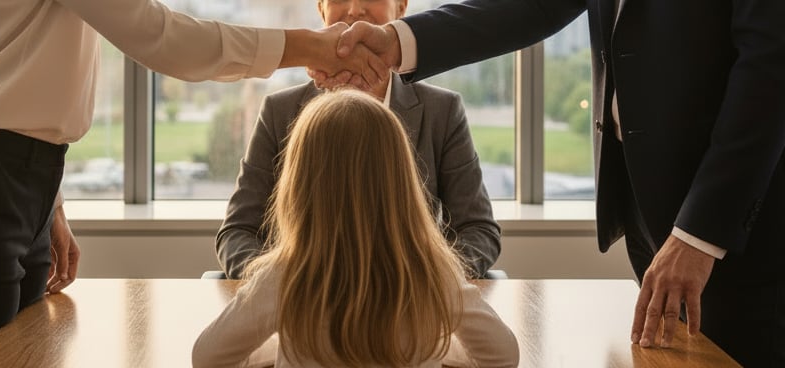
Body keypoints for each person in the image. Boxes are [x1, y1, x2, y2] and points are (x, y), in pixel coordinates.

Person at [321, 1, 785, 366]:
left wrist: (700, 235)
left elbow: (770, 67)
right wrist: (397, 42)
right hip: (649, 213)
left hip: (734, 225)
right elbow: (536, 5)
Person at [0, 0, 387, 366]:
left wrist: (50, 200)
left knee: (15, 355)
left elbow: (15, 74)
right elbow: (160, 36)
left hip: (15, 172)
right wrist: (310, 47)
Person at [192, 89, 519, 368]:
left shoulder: (284, 278)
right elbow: (504, 355)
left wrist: (276, 347)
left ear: (299, 186)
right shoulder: (434, 274)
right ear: (403, 183)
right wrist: (436, 342)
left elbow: (207, 357)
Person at [216, 0, 500, 280]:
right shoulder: (279, 112)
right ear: (321, 8)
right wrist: (283, 287)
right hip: (301, 311)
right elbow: (238, 232)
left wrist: (426, 284)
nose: (354, 9)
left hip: (410, 309)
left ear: (401, 7)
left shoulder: (443, 111)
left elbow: (478, 231)